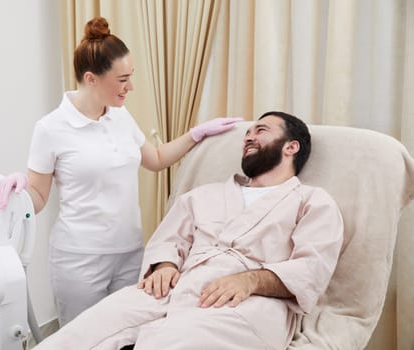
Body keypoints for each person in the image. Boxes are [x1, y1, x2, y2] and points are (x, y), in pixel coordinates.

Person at [0, 16, 241, 327]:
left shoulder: (120, 117)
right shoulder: (51, 129)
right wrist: (20, 190)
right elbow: (39, 196)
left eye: (131, 76)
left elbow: (156, 158)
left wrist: (196, 134)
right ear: (91, 78)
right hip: (79, 259)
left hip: (130, 252)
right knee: (85, 338)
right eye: (122, 79)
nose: (130, 87)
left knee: (126, 334)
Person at [31, 111, 344, 350]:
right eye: (246, 133)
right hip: (173, 288)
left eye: (260, 131)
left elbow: (312, 267)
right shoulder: (203, 195)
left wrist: (250, 280)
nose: (248, 137)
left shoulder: (312, 202)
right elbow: (169, 239)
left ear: (291, 146)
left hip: (249, 301)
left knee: (171, 343)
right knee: (74, 336)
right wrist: (165, 265)